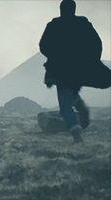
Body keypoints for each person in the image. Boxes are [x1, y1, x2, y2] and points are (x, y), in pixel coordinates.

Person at [39, 0, 111, 143]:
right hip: (79, 69)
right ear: (74, 9)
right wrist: (91, 61)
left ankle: (76, 133)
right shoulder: (83, 24)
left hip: (60, 70)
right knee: (70, 92)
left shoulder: (53, 26)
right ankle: (78, 103)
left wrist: (55, 57)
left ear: (61, 10)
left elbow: (43, 46)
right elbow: (97, 44)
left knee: (65, 104)